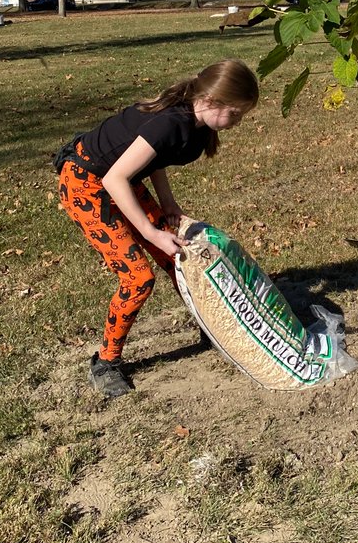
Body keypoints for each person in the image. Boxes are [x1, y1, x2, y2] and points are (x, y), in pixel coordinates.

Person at [56, 59, 259, 398]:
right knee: (138, 278)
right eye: (235, 114)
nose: (237, 123)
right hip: (86, 185)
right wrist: (151, 233)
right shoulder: (170, 123)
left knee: (180, 256)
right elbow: (114, 178)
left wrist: (167, 205)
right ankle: (106, 362)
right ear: (209, 100)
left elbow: (154, 159)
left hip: (120, 180)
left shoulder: (196, 122)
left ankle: (211, 326)